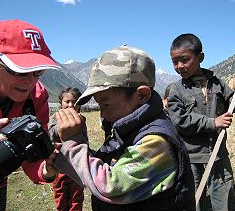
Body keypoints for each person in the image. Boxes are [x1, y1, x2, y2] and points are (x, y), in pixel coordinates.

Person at [53, 45, 196, 211]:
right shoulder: (127, 129)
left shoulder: (156, 142)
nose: (103, 113)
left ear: (141, 95)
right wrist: (62, 156)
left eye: (106, 104)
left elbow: (111, 187)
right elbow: (108, 165)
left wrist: (73, 143)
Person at [167, 34, 235, 211]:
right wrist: (214, 123)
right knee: (193, 201)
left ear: (200, 57)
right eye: (175, 62)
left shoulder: (217, 84)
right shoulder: (177, 90)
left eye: (184, 60)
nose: (179, 66)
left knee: (224, 201)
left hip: (218, 155)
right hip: (191, 159)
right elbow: (180, 121)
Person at [0, 19, 60, 211]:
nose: (29, 80)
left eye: (38, 70)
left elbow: (34, 152)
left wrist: (46, 170)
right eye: (18, 69)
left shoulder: (36, 96)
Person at [48, 87, 86, 211]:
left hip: (78, 167)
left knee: (76, 198)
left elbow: (85, 140)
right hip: (60, 167)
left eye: (74, 102)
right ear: (60, 103)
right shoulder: (55, 118)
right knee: (61, 196)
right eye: (67, 101)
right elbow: (50, 135)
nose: (71, 105)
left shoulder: (81, 120)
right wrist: (62, 124)